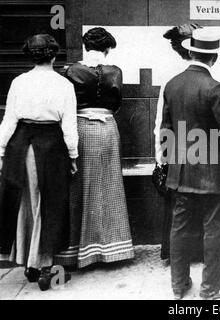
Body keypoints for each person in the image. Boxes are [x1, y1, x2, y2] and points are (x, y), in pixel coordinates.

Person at [161, 29, 220, 300]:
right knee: (213, 230)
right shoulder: (213, 87)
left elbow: (165, 130)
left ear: (191, 52)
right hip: (212, 172)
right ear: (214, 57)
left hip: (180, 171)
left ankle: (179, 286)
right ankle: (210, 289)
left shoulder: (172, 84)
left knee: (178, 229)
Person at [0, 34, 78, 291]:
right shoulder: (63, 84)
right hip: (51, 145)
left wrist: (1, 151)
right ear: (54, 55)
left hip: (20, 145)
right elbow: (69, 125)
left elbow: (9, 121)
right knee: (49, 203)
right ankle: (44, 267)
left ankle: (28, 264)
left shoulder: (18, 82)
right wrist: (74, 156)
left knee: (25, 202)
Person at [54, 27, 134, 269]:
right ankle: (113, 248)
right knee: (110, 186)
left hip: (80, 128)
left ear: (85, 47)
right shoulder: (115, 71)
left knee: (78, 187)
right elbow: (117, 103)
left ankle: (76, 251)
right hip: (109, 127)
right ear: (107, 49)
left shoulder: (69, 71)